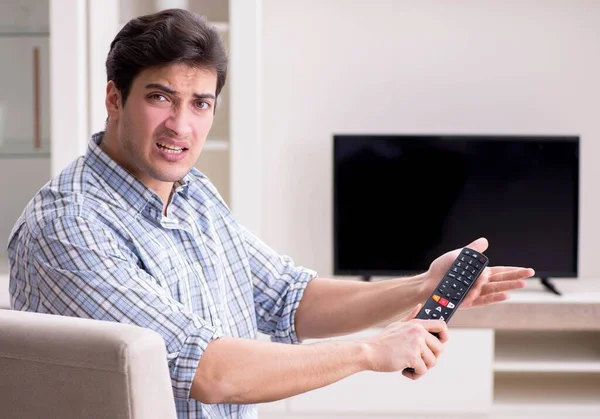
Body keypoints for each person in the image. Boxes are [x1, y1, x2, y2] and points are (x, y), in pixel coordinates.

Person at [7, 8, 535, 419]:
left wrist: (421, 287)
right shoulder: (69, 226)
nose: (181, 126)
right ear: (114, 99)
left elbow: (289, 298)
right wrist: (372, 352)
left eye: (200, 103)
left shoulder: (193, 194)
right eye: (160, 97)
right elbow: (207, 370)